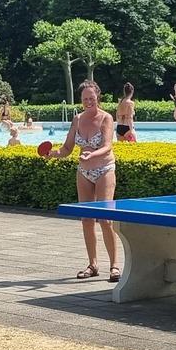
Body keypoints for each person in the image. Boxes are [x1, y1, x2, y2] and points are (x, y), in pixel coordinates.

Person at [52, 80, 119, 281]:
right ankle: (93, 264)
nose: (88, 101)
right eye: (85, 99)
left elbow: (107, 146)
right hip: (84, 171)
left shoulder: (106, 118)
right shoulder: (77, 119)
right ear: (81, 100)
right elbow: (66, 150)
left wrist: (92, 155)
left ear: (98, 97)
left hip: (105, 168)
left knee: (106, 219)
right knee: (87, 219)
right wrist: (51, 154)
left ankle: (114, 266)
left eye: (92, 98)